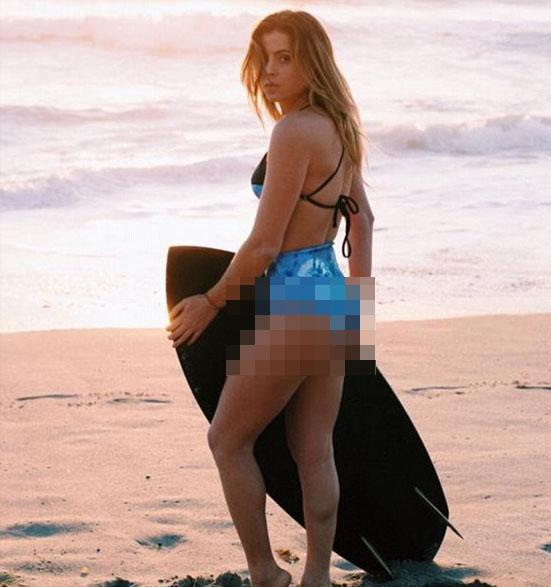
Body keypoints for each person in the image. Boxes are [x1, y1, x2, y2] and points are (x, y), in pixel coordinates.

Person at [166, 10, 374, 587]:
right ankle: (316, 576)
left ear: (313, 61)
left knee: (227, 439)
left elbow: (263, 245)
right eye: (263, 60)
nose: (270, 72)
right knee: (314, 449)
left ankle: (265, 573)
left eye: (285, 58)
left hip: (294, 303)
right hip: (330, 296)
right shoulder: (340, 128)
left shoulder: (293, 132)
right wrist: (359, 314)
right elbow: (364, 223)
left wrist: (210, 301)